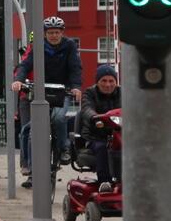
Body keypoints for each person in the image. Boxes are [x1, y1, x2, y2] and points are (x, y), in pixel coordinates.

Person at [11, 16, 83, 188]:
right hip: (39, 91)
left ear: (62, 33)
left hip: (61, 90)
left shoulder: (69, 46)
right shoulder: (38, 46)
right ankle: (29, 168)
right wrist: (18, 80)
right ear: (44, 33)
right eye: (50, 32)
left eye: (57, 32)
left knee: (59, 118)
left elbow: (75, 68)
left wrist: (76, 86)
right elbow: (25, 65)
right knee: (29, 130)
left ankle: (64, 148)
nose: (53, 36)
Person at [78, 64, 123, 185]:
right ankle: (105, 183)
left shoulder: (122, 93)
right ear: (97, 82)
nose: (108, 84)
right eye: (104, 80)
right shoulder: (89, 93)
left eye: (111, 81)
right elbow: (86, 108)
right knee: (102, 147)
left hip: (118, 135)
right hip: (95, 135)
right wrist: (94, 117)